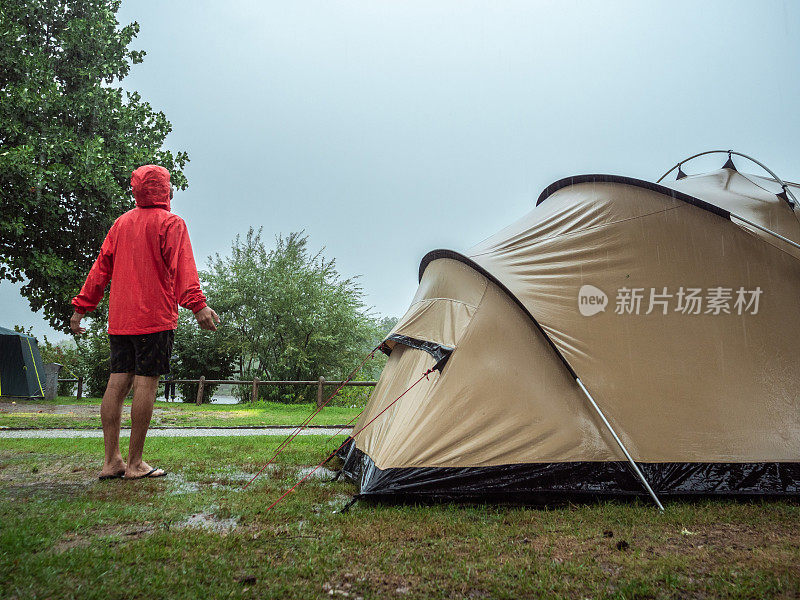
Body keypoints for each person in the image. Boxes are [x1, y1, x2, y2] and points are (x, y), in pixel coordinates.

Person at [70, 165, 219, 480]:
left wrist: (82, 307)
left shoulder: (121, 223)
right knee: (145, 383)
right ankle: (135, 464)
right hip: (154, 318)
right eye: (169, 185)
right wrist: (198, 305)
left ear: (137, 190)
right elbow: (183, 267)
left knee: (117, 383)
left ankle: (111, 461)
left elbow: (100, 268)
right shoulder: (171, 223)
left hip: (120, 320)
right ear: (164, 190)